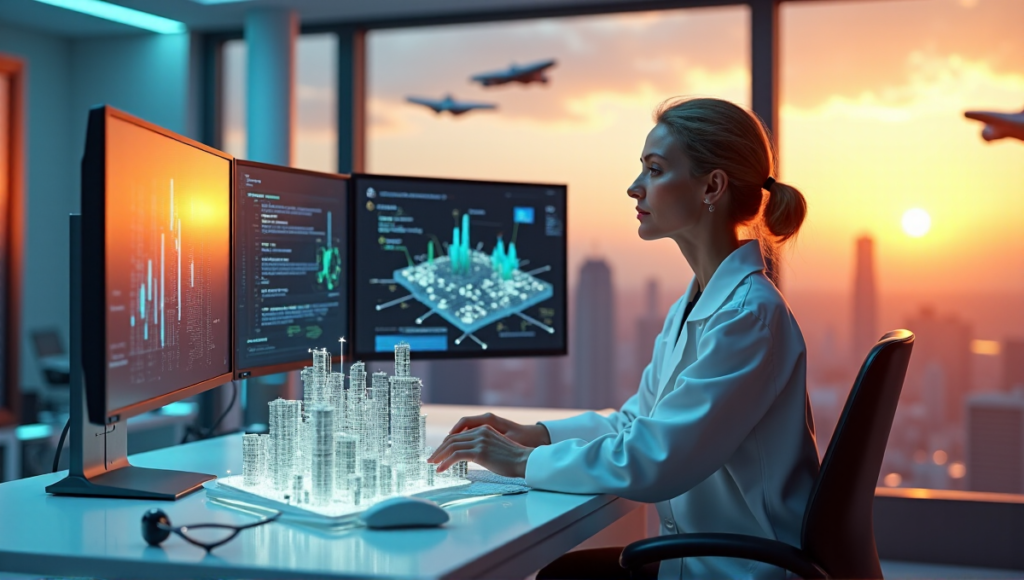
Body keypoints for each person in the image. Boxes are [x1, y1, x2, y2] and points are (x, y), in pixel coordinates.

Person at [427, 97, 820, 580]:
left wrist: (523, 461)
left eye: (654, 171)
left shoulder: (748, 317)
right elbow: (640, 422)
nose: (635, 188)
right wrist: (538, 435)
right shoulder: (696, 303)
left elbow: (656, 462)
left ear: (711, 186)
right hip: (701, 559)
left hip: (741, 571)